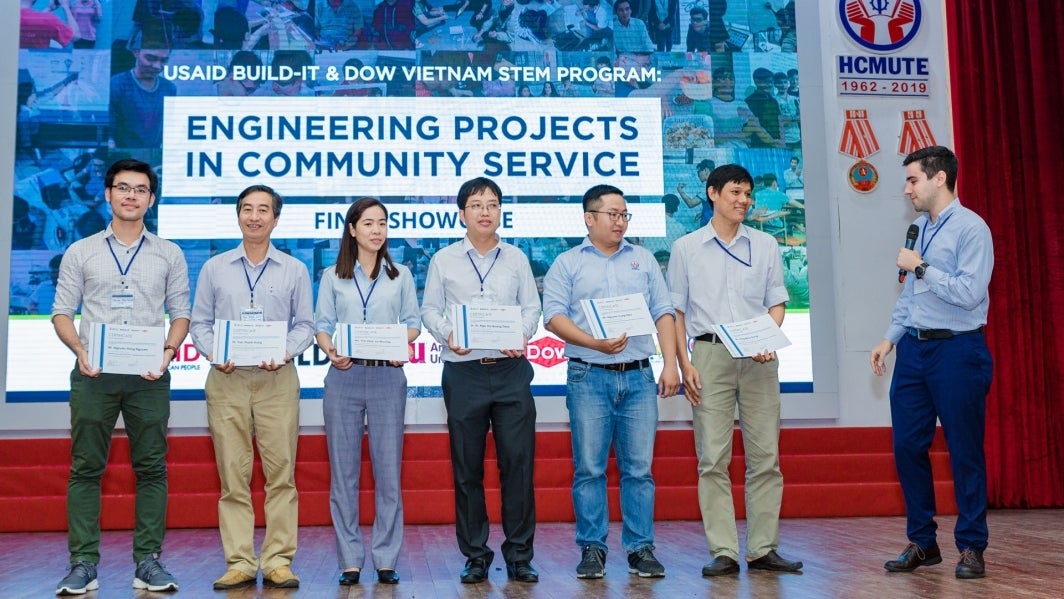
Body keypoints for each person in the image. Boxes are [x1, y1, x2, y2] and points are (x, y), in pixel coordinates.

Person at [51, 158, 190, 595]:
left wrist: (169, 352)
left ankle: (148, 562)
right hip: (94, 373)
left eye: (141, 189)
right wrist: (79, 350)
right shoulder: (81, 250)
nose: (131, 195)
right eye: (123, 187)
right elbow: (61, 312)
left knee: (151, 469)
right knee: (86, 468)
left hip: (149, 375)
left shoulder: (170, 253)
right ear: (108, 194)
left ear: (151, 199)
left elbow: (181, 314)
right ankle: (82, 564)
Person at [667, 164, 803, 577]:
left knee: (766, 457)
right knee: (713, 458)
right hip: (709, 356)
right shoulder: (686, 248)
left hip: (760, 359)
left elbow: (776, 303)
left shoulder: (764, 245)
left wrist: (766, 336)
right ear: (712, 194)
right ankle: (724, 550)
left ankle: (763, 549)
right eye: (735, 193)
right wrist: (682, 363)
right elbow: (675, 310)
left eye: (748, 194)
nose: (743, 200)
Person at [541, 184, 680, 580]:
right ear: (590, 218)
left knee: (639, 469)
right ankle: (592, 548)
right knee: (589, 468)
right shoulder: (567, 263)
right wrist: (594, 343)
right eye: (612, 214)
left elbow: (663, 311)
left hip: (638, 374)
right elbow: (552, 316)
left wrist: (669, 363)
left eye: (624, 215)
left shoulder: (644, 259)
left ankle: (641, 549)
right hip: (588, 374)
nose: (620, 222)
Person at [870, 146, 994, 580]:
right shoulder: (918, 228)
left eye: (912, 180)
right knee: (906, 446)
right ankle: (923, 543)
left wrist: (921, 267)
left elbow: (970, 293)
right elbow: (909, 297)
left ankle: (972, 546)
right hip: (915, 352)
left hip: (958, 351)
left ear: (939, 178)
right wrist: (889, 339)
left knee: (963, 451)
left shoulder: (972, 229)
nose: (907, 189)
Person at [189, 185, 315, 590]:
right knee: (232, 476)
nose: (255, 216)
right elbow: (199, 324)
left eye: (264, 210)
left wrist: (284, 352)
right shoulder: (215, 267)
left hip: (277, 379)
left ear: (276, 219)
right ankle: (240, 561)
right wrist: (213, 353)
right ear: (238, 215)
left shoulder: (294, 269)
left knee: (282, 475)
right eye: (247, 209)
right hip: (227, 379)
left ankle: (278, 560)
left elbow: (306, 327)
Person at [421, 177, 542, 585]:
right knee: (467, 469)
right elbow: (430, 310)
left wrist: (521, 335)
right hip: (465, 371)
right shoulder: (444, 260)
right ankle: (475, 555)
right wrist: (447, 335)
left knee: (518, 466)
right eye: (476, 205)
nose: (485, 211)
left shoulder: (517, 258)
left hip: (510, 372)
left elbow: (531, 307)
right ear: (462, 213)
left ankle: (520, 556)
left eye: (492, 204)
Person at [315, 198, 421, 586]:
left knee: (388, 472)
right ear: (352, 229)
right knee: (343, 473)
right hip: (343, 377)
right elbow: (322, 324)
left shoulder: (401, 274)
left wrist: (398, 343)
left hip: (386, 378)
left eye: (383, 223)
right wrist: (330, 350)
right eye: (369, 223)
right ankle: (349, 560)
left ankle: (386, 558)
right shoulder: (332, 276)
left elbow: (413, 323)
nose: (377, 230)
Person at [110, 35, 175, 148]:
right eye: (150, 58)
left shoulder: (169, 88)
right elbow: (109, 133)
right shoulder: (116, 85)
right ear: (136, 52)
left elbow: (169, 128)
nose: (157, 66)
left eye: (164, 60)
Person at [745, 67, 784, 149]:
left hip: (777, 143)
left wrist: (782, 140)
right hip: (759, 144)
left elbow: (780, 121)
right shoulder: (750, 101)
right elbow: (752, 126)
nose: (769, 85)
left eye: (771, 82)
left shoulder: (773, 100)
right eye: (766, 82)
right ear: (756, 82)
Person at [676, 158, 715, 227]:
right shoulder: (718, 183)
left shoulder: (708, 186)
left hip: (709, 225)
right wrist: (702, 213)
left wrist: (680, 190)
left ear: (706, 170)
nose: (698, 175)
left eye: (699, 171)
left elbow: (691, 203)